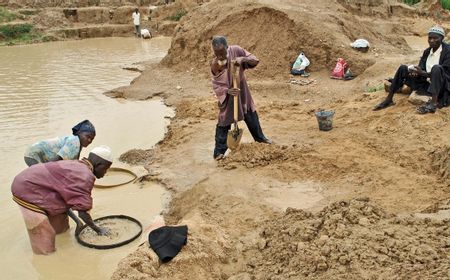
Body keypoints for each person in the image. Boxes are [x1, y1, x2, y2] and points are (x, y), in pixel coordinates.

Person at [11, 145, 113, 255]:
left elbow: (64, 199)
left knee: (61, 228)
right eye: (105, 169)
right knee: (45, 238)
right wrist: (98, 230)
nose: (105, 173)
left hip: (38, 187)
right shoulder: (85, 176)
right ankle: (47, 263)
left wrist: (78, 222)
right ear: (99, 165)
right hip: (27, 189)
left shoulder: (77, 165)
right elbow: (83, 212)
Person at [210, 36, 271, 160]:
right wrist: (227, 91)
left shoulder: (236, 50)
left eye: (222, 53)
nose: (220, 57)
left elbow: (255, 60)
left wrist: (242, 59)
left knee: (250, 114)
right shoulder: (215, 64)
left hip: (242, 91)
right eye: (217, 54)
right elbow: (216, 85)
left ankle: (260, 140)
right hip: (228, 97)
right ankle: (219, 152)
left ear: (227, 48)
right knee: (224, 122)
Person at [373, 26, 450, 113]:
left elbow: (445, 73)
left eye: (435, 38)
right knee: (403, 68)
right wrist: (416, 72)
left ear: (442, 38)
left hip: (442, 86)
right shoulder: (427, 51)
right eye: (430, 38)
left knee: (436, 68)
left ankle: (433, 103)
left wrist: (422, 73)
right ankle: (389, 99)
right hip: (427, 84)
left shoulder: (447, 51)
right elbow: (421, 67)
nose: (432, 40)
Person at [24, 120, 96, 166]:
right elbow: (56, 162)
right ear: (79, 133)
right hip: (33, 155)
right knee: (43, 177)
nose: (89, 140)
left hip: (32, 153)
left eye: (92, 139)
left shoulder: (77, 143)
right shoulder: (74, 142)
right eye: (87, 136)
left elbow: (73, 162)